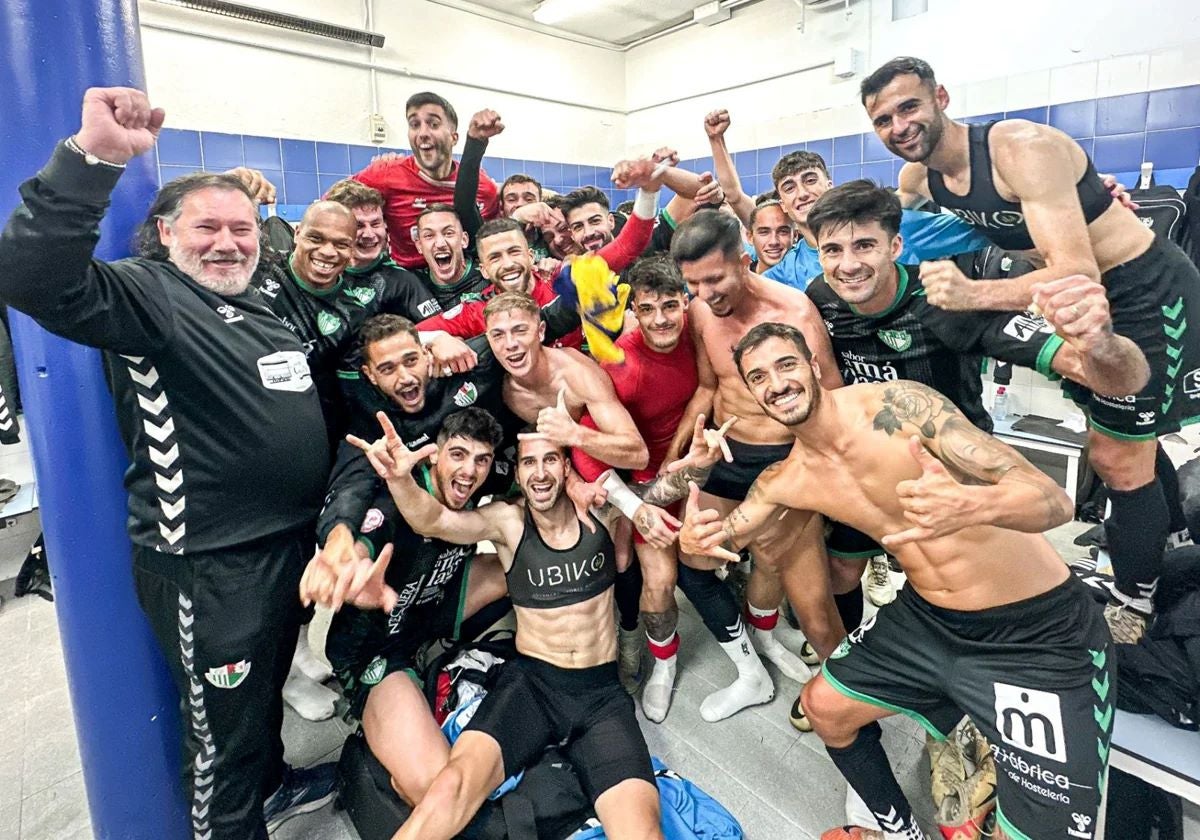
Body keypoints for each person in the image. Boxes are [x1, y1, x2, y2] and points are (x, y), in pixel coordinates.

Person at [0, 87, 336, 838]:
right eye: (207, 227)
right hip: (211, 566)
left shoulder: (259, 300)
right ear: (164, 233)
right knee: (221, 741)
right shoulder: (149, 293)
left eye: (242, 229)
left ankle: (275, 785)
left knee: (256, 707)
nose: (227, 242)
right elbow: (29, 277)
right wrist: (91, 162)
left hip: (284, 549)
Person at [679, 322, 1113, 840]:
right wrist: (695, 530)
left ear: (815, 366)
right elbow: (724, 536)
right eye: (758, 377)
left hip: (1035, 631)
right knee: (825, 708)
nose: (776, 384)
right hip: (929, 619)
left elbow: (1053, 500)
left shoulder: (901, 407)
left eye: (786, 365)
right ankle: (901, 832)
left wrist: (975, 503)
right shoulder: (786, 478)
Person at [860, 55, 1200, 642]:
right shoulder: (918, 181)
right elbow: (893, 232)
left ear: (941, 96)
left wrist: (972, 293)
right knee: (1127, 439)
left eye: (908, 106)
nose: (899, 126)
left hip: (1143, 292)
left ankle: (1133, 603)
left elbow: (1077, 270)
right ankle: (1163, 544)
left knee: (1117, 458)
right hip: (1074, 303)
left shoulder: (1021, 149)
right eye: (883, 119)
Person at [341, 407, 731, 840]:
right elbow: (432, 519)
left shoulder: (599, 509)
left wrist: (700, 465)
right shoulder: (508, 522)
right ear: (519, 473)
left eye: (550, 459)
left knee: (642, 832)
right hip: (531, 686)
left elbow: (658, 492)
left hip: (600, 697)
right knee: (450, 790)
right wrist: (399, 481)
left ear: (566, 467)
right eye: (529, 462)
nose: (540, 472)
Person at [664, 209, 840, 723]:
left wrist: (818, 477)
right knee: (694, 562)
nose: (706, 294)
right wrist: (676, 455)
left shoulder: (796, 312)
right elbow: (709, 386)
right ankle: (750, 668)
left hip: (786, 458)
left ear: (745, 261)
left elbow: (831, 398)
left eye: (715, 278)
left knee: (804, 594)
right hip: (725, 453)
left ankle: (815, 681)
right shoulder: (700, 311)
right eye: (693, 283)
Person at [313, 408, 510, 806]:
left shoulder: (475, 488)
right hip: (378, 649)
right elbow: (364, 545)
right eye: (458, 454)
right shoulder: (394, 502)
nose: (470, 471)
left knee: (524, 559)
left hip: (430, 608)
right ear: (434, 454)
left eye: (481, 460)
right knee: (435, 787)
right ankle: (382, 732)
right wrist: (350, 574)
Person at [568, 255, 708, 721]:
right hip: (648, 485)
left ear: (685, 303)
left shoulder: (697, 333)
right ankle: (665, 664)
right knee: (660, 583)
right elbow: (585, 448)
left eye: (670, 305)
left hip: (696, 464)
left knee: (728, 552)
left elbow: (708, 388)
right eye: (648, 309)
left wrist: (679, 455)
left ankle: (754, 632)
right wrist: (632, 503)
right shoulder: (621, 362)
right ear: (635, 311)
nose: (661, 319)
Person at [702, 108, 988, 291]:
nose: (802, 193)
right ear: (784, 205)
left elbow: (984, 229)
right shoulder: (787, 271)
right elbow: (736, 199)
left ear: (830, 185)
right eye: (789, 187)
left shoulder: (892, 225)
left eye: (810, 180)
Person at [353, 91, 499, 269]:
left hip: (462, 281)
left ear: (454, 138)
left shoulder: (482, 187)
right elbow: (332, 207)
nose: (423, 132)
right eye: (414, 124)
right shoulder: (384, 175)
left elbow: (493, 238)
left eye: (433, 124)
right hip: (407, 280)